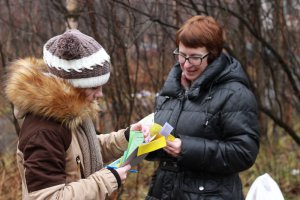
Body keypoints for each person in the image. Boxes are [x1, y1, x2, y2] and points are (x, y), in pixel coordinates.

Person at [5, 29, 149, 199]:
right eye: (94, 87)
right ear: (70, 87)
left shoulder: (71, 112)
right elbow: (48, 197)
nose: (100, 94)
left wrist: (126, 137)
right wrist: (108, 179)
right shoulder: (43, 132)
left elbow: (85, 151)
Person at [145, 15, 260, 200]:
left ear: (213, 55)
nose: (187, 64)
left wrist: (186, 148)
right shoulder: (172, 90)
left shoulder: (235, 93)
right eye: (182, 55)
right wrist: (146, 144)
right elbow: (163, 146)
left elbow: (244, 152)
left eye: (195, 57)